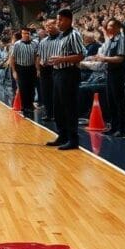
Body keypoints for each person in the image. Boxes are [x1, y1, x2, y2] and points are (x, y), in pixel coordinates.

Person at [46, 8, 86, 150]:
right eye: (57, 20)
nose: (58, 23)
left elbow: (81, 55)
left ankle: (73, 139)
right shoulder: (62, 36)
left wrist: (62, 59)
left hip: (69, 73)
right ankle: (62, 135)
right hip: (58, 73)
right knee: (58, 107)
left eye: (60, 20)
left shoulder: (74, 35)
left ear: (68, 20)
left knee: (69, 107)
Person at [94, 19, 125, 137]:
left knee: (119, 102)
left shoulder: (122, 40)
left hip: (118, 73)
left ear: (118, 27)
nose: (109, 28)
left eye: (111, 26)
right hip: (109, 72)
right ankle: (113, 127)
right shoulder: (111, 40)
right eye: (108, 26)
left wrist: (104, 58)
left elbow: (120, 58)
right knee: (111, 102)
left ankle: (122, 129)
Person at [10, 27, 40, 118]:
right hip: (21, 68)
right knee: (23, 88)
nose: (26, 35)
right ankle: (24, 107)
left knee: (31, 87)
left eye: (27, 33)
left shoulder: (35, 43)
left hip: (31, 68)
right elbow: (12, 58)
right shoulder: (17, 44)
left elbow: (36, 57)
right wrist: (14, 71)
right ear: (21, 34)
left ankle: (30, 105)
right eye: (24, 33)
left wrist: (38, 69)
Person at [37, 19, 59, 121]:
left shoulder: (62, 38)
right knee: (46, 92)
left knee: (56, 92)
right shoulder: (43, 41)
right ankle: (49, 113)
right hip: (44, 68)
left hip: (57, 67)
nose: (48, 28)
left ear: (56, 24)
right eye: (46, 26)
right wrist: (38, 68)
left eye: (50, 25)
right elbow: (39, 56)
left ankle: (56, 113)